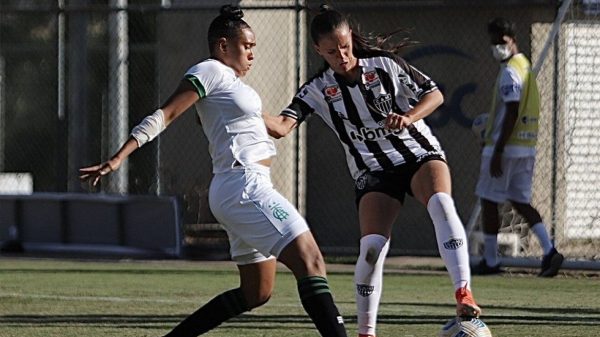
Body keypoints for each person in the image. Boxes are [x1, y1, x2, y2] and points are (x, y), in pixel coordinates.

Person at [79, 6, 348, 337]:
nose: (252, 54)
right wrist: (120, 156)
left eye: (253, 47)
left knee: (257, 292)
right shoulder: (210, 70)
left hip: (239, 189)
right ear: (223, 45)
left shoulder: (237, 91)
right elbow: (167, 114)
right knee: (312, 262)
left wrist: (314, 88)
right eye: (246, 46)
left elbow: (279, 127)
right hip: (245, 186)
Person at [263, 5, 481, 337]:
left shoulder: (384, 64)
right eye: (332, 51)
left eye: (346, 46)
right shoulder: (317, 89)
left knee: (441, 204)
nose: (342, 55)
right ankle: (367, 332)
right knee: (372, 248)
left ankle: (463, 292)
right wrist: (244, 107)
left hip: (418, 154)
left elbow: (434, 94)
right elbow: (281, 127)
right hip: (374, 171)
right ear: (318, 50)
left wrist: (408, 117)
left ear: (351, 38)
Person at [472, 17, 564, 277]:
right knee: (521, 201)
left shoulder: (511, 70)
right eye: (493, 42)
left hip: (506, 148)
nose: (496, 47)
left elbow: (512, 110)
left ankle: (490, 260)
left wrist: (498, 150)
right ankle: (549, 251)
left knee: (489, 201)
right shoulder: (526, 66)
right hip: (526, 147)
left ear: (512, 40)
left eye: (500, 42)